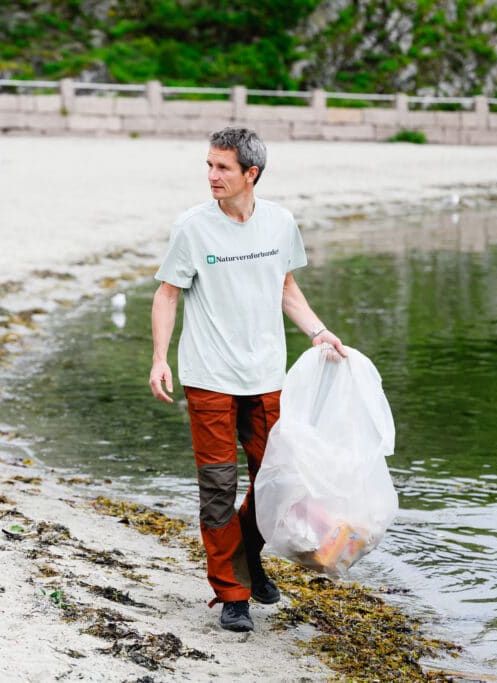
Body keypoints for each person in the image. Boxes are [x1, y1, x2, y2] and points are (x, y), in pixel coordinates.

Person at [148, 127, 346, 633]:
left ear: (249, 174)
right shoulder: (192, 228)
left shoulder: (279, 223)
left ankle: (247, 557)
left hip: (266, 376)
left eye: (223, 168)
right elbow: (168, 294)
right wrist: (159, 357)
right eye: (209, 166)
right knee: (218, 488)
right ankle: (233, 594)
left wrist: (320, 333)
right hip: (209, 377)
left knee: (277, 481)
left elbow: (286, 287)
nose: (212, 176)